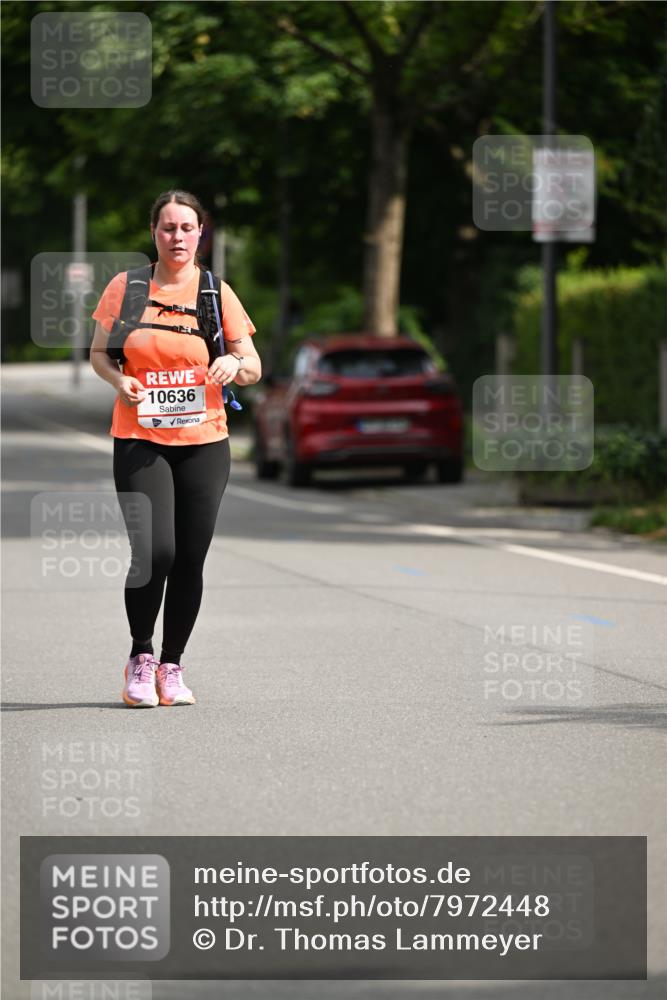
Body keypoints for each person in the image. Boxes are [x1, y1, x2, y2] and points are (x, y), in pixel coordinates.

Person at [90, 189, 261, 707]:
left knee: (190, 558)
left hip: (205, 441)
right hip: (141, 437)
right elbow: (101, 356)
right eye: (168, 228)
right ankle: (141, 657)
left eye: (187, 228)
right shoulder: (128, 287)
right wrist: (119, 382)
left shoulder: (215, 292)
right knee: (154, 551)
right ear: (154, 233)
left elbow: (251, 364)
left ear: (200, 233)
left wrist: (234, 365)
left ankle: (172, 665)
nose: (178, 237)